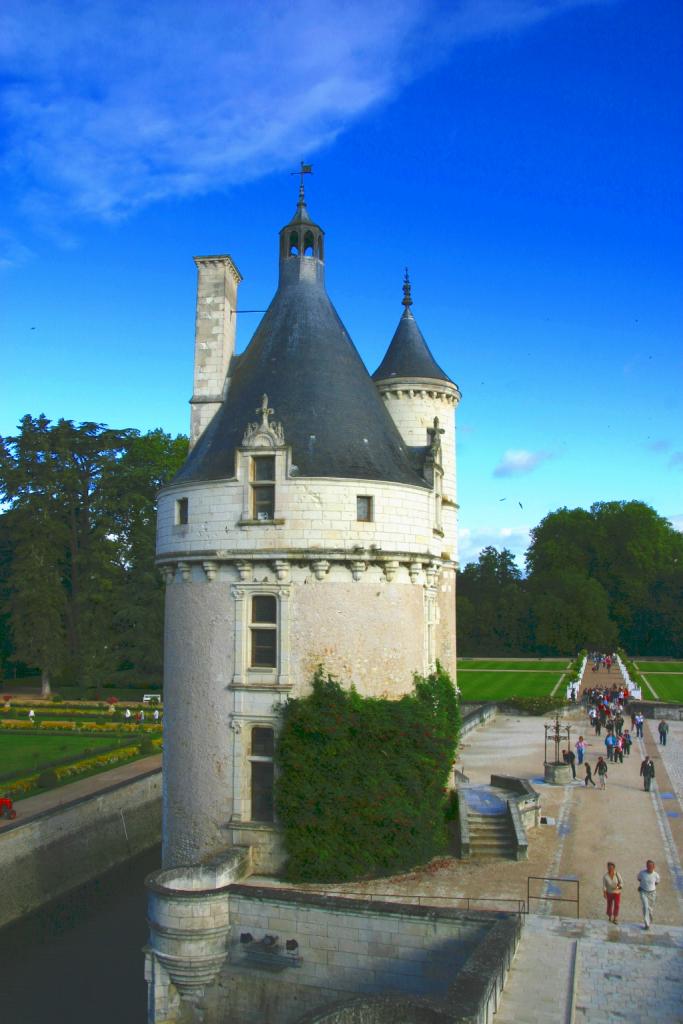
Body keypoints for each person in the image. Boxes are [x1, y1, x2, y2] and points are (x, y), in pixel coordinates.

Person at [637, 859, 659, 929]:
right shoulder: (642, 873)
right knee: (645, 907)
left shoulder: (656, 875)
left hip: (652, 893)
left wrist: (650, 887)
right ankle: (647, 924)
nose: (649, 867)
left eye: (651, 866)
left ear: (654, 867)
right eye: (648, 866)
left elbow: (656, 883)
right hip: (643, 892)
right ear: (646, 866)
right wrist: (643, 886)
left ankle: (650, 917)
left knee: (650, 908)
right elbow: (639, 879)